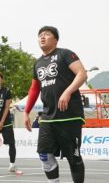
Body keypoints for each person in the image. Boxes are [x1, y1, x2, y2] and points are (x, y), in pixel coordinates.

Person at [24, 26, 87, 183]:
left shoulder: (65, 53)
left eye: (46, 34)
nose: (42, 37)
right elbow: (34, 89)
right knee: (44, 154)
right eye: (40, 35)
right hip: (47, 117)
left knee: (74, 157)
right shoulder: (37, 63)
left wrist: (67, 92)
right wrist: (26, 112)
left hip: (69, 115)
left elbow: (82, 74)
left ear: (55, 40)